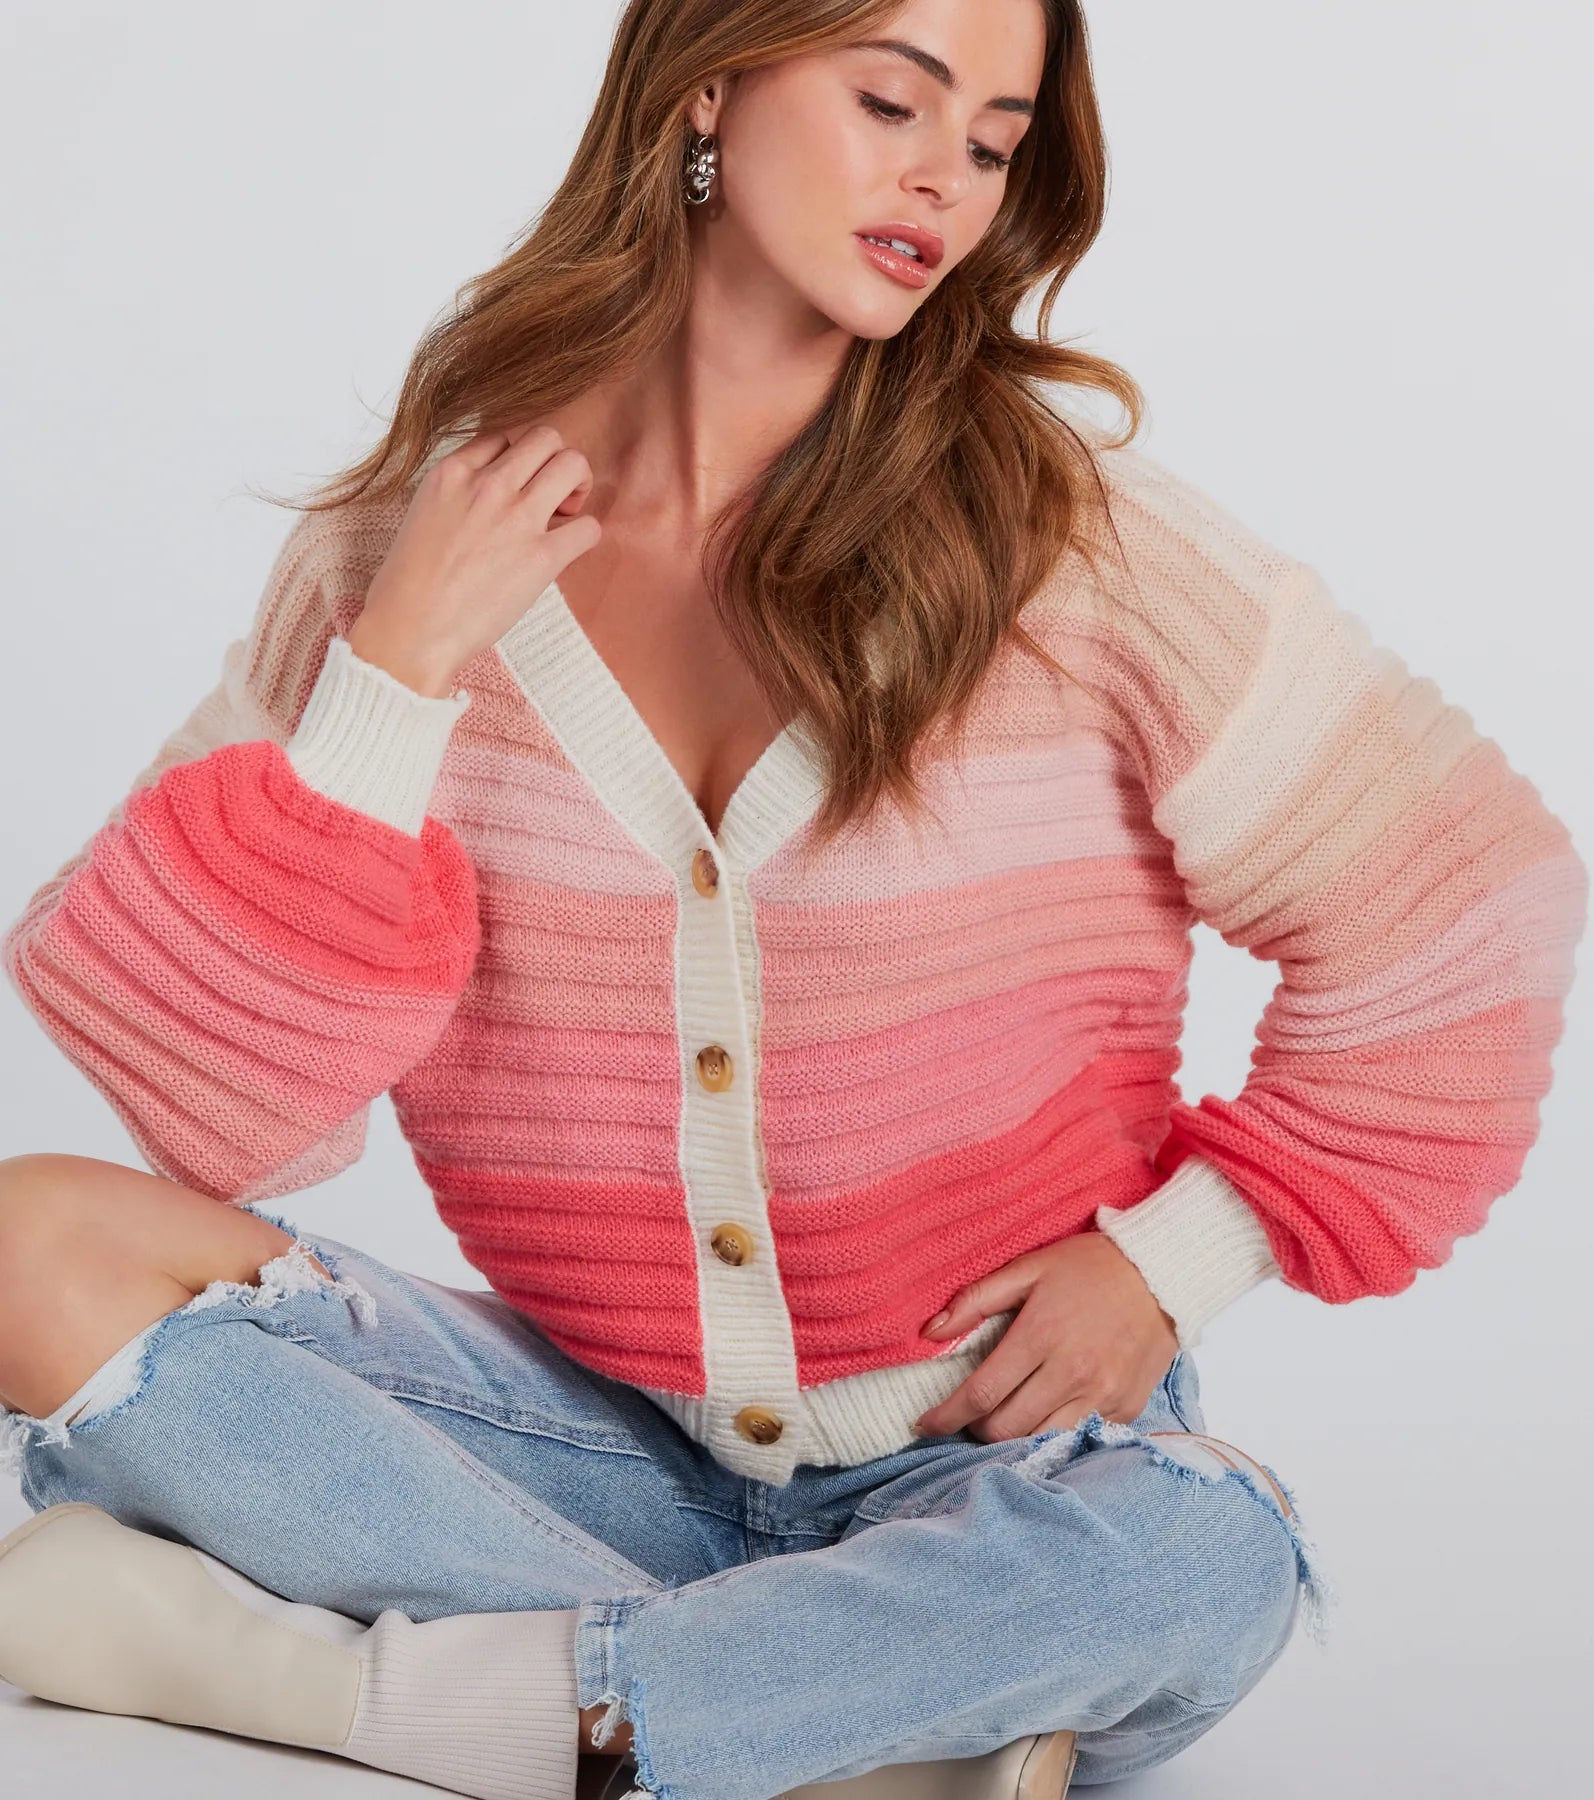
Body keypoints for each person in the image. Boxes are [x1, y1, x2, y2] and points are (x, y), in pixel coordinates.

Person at [0, 2, 1585, 1798]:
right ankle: (841, 1723)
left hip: (1005, 1464)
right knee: (32, 1242)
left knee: (1197, 1555)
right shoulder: (411, 548)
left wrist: (1175, 1261)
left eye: (989, 145)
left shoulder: (1070, 544)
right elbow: (226, 1117)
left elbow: (1471, 906)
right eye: (892, 101)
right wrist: (400, 674)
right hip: (594, 1450)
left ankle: (361, 1693)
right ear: (705, 87)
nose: (942, 180)